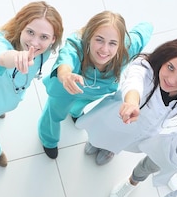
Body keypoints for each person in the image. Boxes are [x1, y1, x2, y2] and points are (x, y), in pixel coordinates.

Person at [38, 11, 153, 159]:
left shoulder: (127, 48)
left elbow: (147, 28)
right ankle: (48, 139)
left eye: (112, 43)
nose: (105, 50)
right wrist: (65, 75)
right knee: (54, 115)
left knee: (81, 103)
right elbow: (66, 60)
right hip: (65, 90)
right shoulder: (76, 46)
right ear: (88, 37)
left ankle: (75, 112)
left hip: (94, 93)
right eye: (99, 40)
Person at [77, 37, 177, 165]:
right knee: (102, 134)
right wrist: (131, 103)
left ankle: (110, 150)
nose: (172, 80)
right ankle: (95, 142)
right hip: (118, 117)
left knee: (122, 142)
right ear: (164, 59)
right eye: (170, 67)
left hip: (143, 132)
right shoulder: (143, 68)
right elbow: (134, 83)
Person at [0, 1, 63, 167]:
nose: (34, 43)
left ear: (52, 39)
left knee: (2, 107)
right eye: (30, 32)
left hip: (9, 96)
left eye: (44, 37)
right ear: (21, 27)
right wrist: (15, 58)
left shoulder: (45, 51)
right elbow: (0, 56)